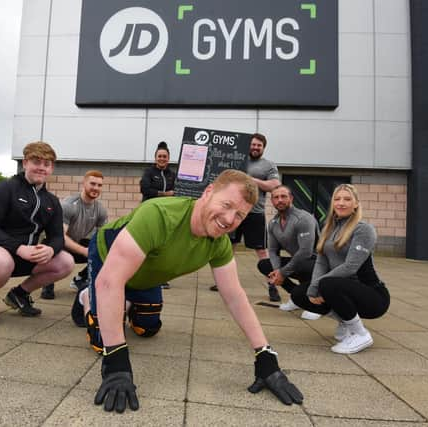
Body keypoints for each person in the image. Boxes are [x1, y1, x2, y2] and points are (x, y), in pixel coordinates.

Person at [71, 169, 303, 413]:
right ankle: (86, 295)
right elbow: (110, 280)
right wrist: (116, 362)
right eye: (226, 204)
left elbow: (235, 296)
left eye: (239, 215)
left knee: (147, 329)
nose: (228, 219)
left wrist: (265, 354)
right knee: (103, 341)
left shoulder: (220, 244)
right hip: (109, 261)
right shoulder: (159, 214)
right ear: (208, 192)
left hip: (148, 273)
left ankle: (122, 302)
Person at [0, 141, 74, 327]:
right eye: (36, 162)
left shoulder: (52, 201)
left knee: (65, 262)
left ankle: (19, 294)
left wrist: (50, 249)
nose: (41, 168)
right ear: (25, 163)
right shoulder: (6, 188)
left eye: (46, 164)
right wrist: (18, 248)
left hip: (24, 256)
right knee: (0, 263)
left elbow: (57, 237)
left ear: (51, 168)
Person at [290, 184, 390, 354]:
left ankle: (361, 334)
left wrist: (319, 285)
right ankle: (346, 321)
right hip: (341, 289)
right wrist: (314, 287)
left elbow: (351, 267)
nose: (341, 203)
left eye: (347, 199)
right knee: (299, 294)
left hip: (373, 296)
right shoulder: (328, 228)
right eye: (337, 199)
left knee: (328, 284)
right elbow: (321, 262)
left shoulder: (364, 229)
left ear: (356, 204)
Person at [210, 133, 280, 301]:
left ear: (263, 148)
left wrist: (251, 180)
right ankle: (223, 282)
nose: (255, 147)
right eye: (253, 144)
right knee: (228, 247)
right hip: (233, 212)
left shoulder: (268, 165)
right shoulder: (236, 160)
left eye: (259, 145)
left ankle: (272, 285)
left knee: (261, 251)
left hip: (254, 214)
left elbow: (274, 185)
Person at [40, 170, 108, 299]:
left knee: (105, 250)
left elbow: (102, 236)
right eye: (92, 184)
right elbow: (60, 236)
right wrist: (84, 251)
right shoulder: (69, 205)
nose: (96, 188)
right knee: (53, 246)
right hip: (54, 243)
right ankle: (47, 284)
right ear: (84, 183)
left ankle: (80, 278)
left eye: (99, 185)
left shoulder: (100, 209)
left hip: (75, 242)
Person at [257, 185, 320, 319]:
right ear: (272, 201)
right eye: (276, 197)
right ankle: (298, 298)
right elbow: (273, 250)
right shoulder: (273, 223)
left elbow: (305, 252)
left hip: (318, 263)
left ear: (291, 198)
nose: (280, 200)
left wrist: (282, 272)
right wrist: (277, 271)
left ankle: (316, 303)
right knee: (264, 264)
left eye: (283, 196)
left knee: (302, 264)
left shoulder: (303, 218)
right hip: (298, 262)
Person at [139, 141, 176, 289]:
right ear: (155, 158)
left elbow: (177, 191)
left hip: (166, 215)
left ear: (168, 159)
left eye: (164, 156)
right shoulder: (149, 172)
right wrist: (165, 194)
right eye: (159, 156)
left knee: (163, 246)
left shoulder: (173, 175)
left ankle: (159, 277)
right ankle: (143, 273)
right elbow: (145, 189)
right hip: (149, 212)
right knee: (148, 244)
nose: (162, 158)